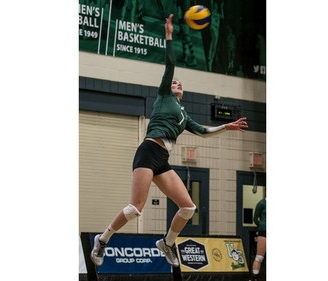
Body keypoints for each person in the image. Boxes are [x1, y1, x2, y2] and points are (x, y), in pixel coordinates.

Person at [90, 14, 248, 268]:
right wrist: (169, 35)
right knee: (135, 208)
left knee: (188, 208)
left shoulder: (184, 115)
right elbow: (170, 65)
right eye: (173, 82)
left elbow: (204, 132)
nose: (175, 83)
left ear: (182, 92)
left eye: (178, 83)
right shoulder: (164, 96)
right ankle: (103, 239)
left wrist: (226, 127)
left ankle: (167, 242)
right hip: (148, 150)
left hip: (162, 159)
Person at [250, 197, 266, 281]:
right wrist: (262, 226)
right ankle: (255, 278)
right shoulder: (262, 203)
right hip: (264, 231)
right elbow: (255, 219)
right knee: (259, 257)